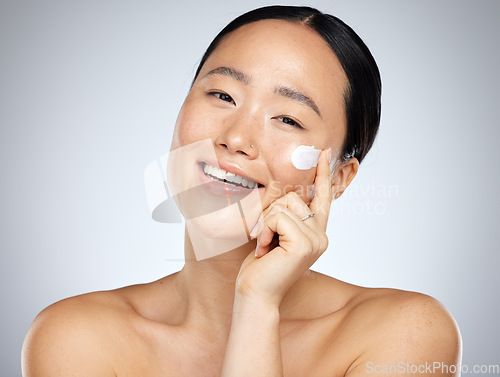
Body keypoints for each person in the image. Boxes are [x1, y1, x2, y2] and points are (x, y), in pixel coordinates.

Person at [22, 5, 461, 376]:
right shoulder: (75, 337)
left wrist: (257, 302)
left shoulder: (404, 333)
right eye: (222, 95)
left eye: (287, 119)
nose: (235, 138)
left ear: (338, 179)